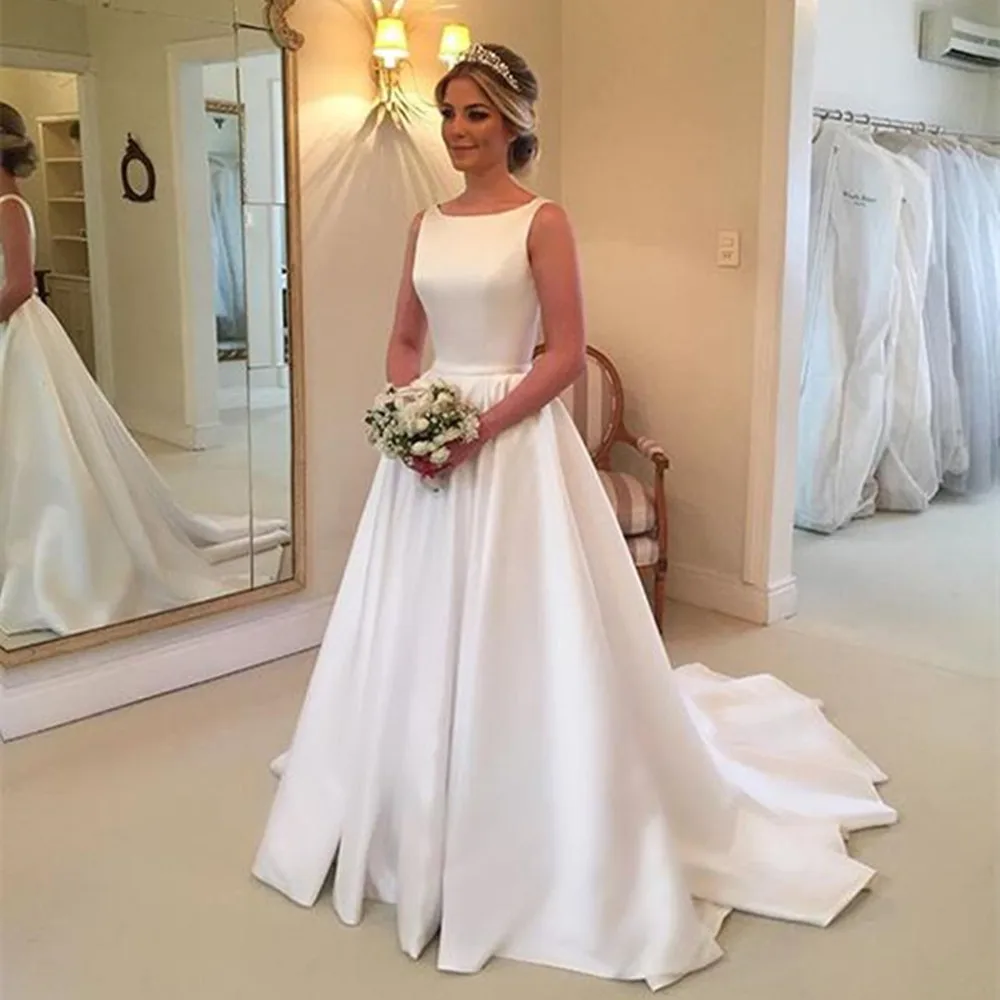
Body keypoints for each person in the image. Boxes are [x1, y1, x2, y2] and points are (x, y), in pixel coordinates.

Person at [252, 45, 897, 990]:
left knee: (524, 622)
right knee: (411, 621)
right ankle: (408, 788)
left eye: (477, 113)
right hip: (427, 446)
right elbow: (404, 336)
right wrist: (412, 411)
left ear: (515, 123)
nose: (459, 130)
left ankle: (528, 792)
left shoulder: (542, 221)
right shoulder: (424, 224)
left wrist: (476, 428)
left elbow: (562, 353)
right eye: (450, 112)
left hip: (510, 443)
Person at [0, 101, 289, 638]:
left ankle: (57, 561)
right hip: (8, 333)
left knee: (37, 447)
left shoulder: (10, 206)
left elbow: (19, 285)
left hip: (16, 332)